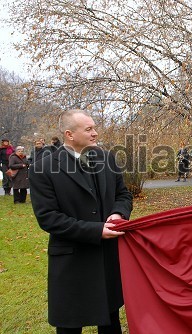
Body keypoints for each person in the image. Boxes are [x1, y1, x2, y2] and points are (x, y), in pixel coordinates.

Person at [29, 109, 133, 333]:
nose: (95, 133)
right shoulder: (42, 168)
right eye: (89, 129)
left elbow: (123, 195)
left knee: (110, 321)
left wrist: (118, 213)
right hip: (71, 262)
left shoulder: (107, 158)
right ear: (69, 134)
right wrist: (95, 231)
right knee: (69, 326)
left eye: (94, 127)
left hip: (106, 258)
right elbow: (48, 218)